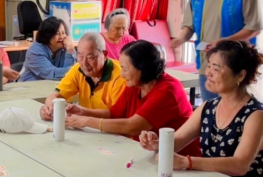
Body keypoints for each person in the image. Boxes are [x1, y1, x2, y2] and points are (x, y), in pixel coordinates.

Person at [140, 40, 263, 177]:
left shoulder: (256, 115)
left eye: (216, 68)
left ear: (240, 76)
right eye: (209, 65)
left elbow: (240, 165)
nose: (208, 73)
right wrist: (159, 143)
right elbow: (177, 141)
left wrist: (187, 162)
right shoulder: (208, 108)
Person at [65, 40, 200, 155]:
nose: (122, 75)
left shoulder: (168, 90)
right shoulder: (136, 85)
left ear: (142, 68)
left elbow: (133, 127)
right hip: (147, 154)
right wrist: (83, 111)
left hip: (177, 159)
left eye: (124, 69)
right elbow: (114, 114)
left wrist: (86, 121)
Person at [171, 0, 263, 101]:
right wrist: (181, 38)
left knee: (233, 114)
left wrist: (223, 42)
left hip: (235, 68)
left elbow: (254, 27)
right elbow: (189, 25)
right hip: (207, 67)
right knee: (211, 112)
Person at [39, 32, 126, 121]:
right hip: (87, 127)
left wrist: (84, 112)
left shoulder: (121, 76)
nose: (84, 63)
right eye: (80, 56)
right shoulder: (78, 70)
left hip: (111, 131)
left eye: (90, 57)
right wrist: (48, 109)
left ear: (104, 55)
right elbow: (55, 96)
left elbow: (118, 114)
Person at [19, 17, 76, 82]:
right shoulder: (35, 51)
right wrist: (76, 70)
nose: (62, 37)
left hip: (52, 87)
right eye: (57, 33)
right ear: (47, 35)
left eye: (63, 33)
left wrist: (70, 50)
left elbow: (69, 77)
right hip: (29, 88)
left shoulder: (64, 48)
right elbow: (51, 74)